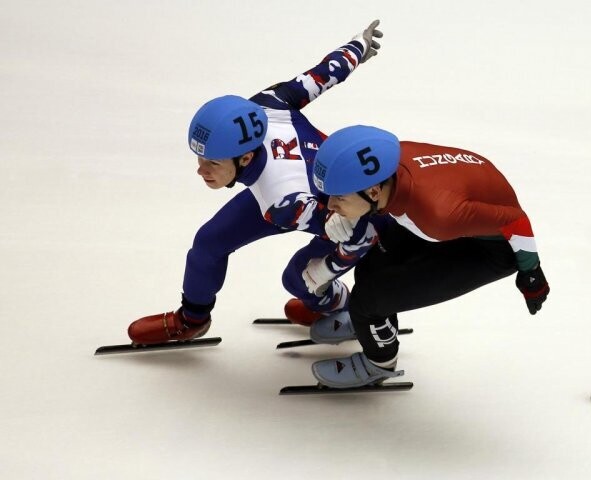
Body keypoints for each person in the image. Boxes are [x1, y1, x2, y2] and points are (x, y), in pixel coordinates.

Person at [127, 21, 386, 345]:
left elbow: (357, 234)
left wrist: (324, 278)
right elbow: (322, 74)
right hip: (300, 194)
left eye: (213, 163)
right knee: (208, 242)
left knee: (298, 278)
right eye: (199, 158)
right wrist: (356, 48)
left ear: (245, 158)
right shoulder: (267, 103)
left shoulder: (281, 202)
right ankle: (192, 319)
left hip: (350, 211)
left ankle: (344, 308)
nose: (200, 171)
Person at [307, 125, 550, 388]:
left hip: (492, 249)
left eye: (339, 198)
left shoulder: (437, 216)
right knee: (370, 265)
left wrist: (531, 272)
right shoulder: (390, 166)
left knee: (367, 302)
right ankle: (372, 328)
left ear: (375, 192)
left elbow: (516, 221)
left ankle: (379, 363)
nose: (331, 205)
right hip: (458, 207)